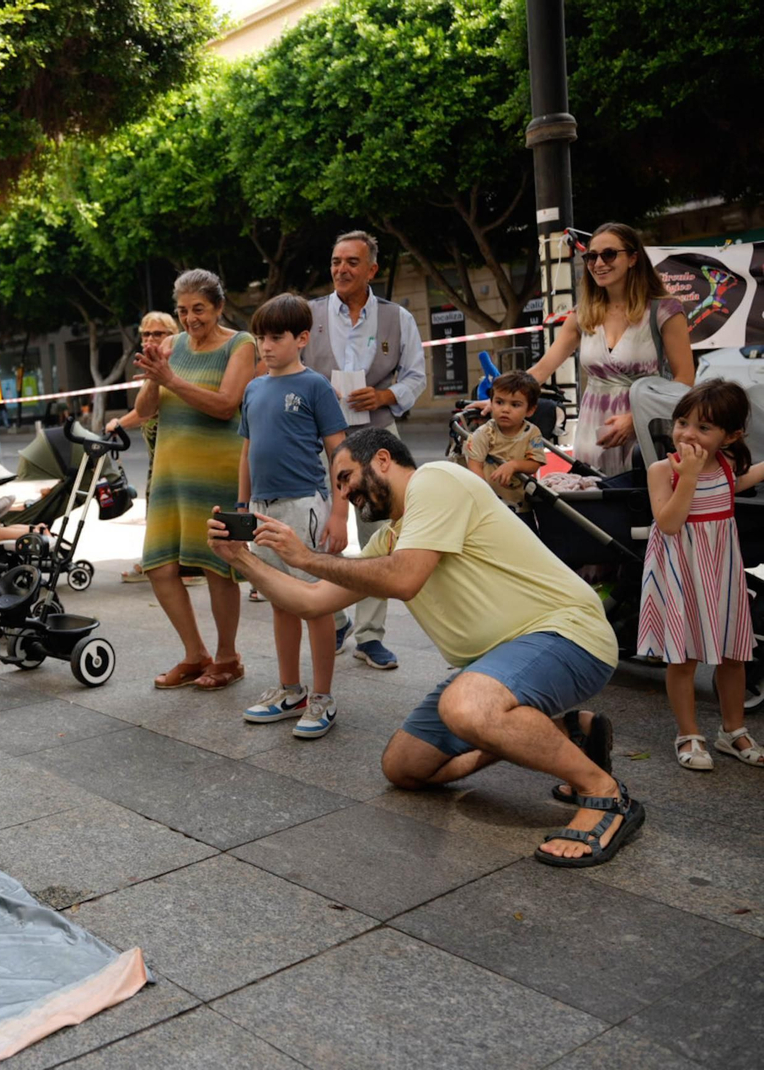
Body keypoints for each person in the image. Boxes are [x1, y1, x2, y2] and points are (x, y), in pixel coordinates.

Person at [214, 427, 641, 868]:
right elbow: (311, 601)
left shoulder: (436, 481)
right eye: (336, 487)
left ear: (382, 460)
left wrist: (304, 556)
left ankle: (604, 793)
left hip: (567, 634)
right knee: (406, 767)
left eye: (345, 478)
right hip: (495, 663)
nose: (343, 494)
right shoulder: (391, 538)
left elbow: (404, 578)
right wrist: (242, 560)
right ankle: (568, 733)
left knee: (467, 706)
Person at [301, 230, 428, 671]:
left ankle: (371, 636)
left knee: (380, 535)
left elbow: (416, 376)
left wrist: (386, 396)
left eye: (352, 262)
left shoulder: (397, 317)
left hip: (377, 436)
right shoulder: (311, 314)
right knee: (321, 530)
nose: (341, 269)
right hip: (320, 437)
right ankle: (334, 616)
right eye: (336, 261)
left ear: (372, 269)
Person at [134, 270, 258, 690]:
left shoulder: (241, 345)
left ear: (219, 307)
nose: (190, 319)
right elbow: (147, 409)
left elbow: (226, 405)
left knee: (218, 566)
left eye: (199, 309)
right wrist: (155, 376)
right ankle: (195, 653)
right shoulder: (172, 345)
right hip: (170, 475)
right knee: (159, 565)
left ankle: (228, 658)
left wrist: (172, 379)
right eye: (183, 311)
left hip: (218, 474)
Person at [235, 295, 351, 738]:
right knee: (281, 601)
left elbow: (339, 452)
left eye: (276, 337)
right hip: (262, 511)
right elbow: (246, 452)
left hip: (304, 505)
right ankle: (291, 689)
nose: (266, 345)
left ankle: (322, 696)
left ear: (302, 338)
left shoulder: (315, 386)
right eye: (261, 337)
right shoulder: (253, 388)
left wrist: (339, 514)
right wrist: (242, 507)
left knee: (314, 605)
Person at [638, 381, 764, 770]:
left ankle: (733, 730)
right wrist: (688, 476)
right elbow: (670, 523)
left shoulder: (727, 467)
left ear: (732, 435)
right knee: (684, 658)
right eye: (682, 422)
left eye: (703, 428)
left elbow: (736, 484)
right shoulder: (663, 470)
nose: (688, 433)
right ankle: (688, 734)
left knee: (734, 654)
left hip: (721, 574)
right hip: (681, 575)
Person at [530, 222, 694, 476]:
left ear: (632, 258)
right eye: (591, 256)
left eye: (608, 254)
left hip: (646, 432)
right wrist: (498, 398)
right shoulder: (583, 314)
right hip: (592, 433)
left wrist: (635, 419)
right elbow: (541, 370)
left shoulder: (665, 310)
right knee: (594, 505)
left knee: (641, 506)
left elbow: (685, 381)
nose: (598, 263)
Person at [108, 312, 203, 586]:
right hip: (157, 458)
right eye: (146, 334)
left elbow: (147, 412)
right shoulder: (151, 367)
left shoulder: (176, 365)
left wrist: (118, 422)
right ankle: (155, 562)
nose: (150, 339)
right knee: (156, 511)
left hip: (180, 456)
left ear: (171, 337)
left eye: (158, 334)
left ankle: (189, 567)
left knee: (176, 513)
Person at [463, 372, 547, 517]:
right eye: (499, 402)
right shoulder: (485, 433)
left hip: (522, 505)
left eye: (515, 405)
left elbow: (535, 463)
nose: (505, 409)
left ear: (530, 410)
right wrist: (484, 496)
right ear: (491, 402)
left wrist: (514, 465)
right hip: (489, 505)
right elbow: (474, 465)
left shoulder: (532, 433)